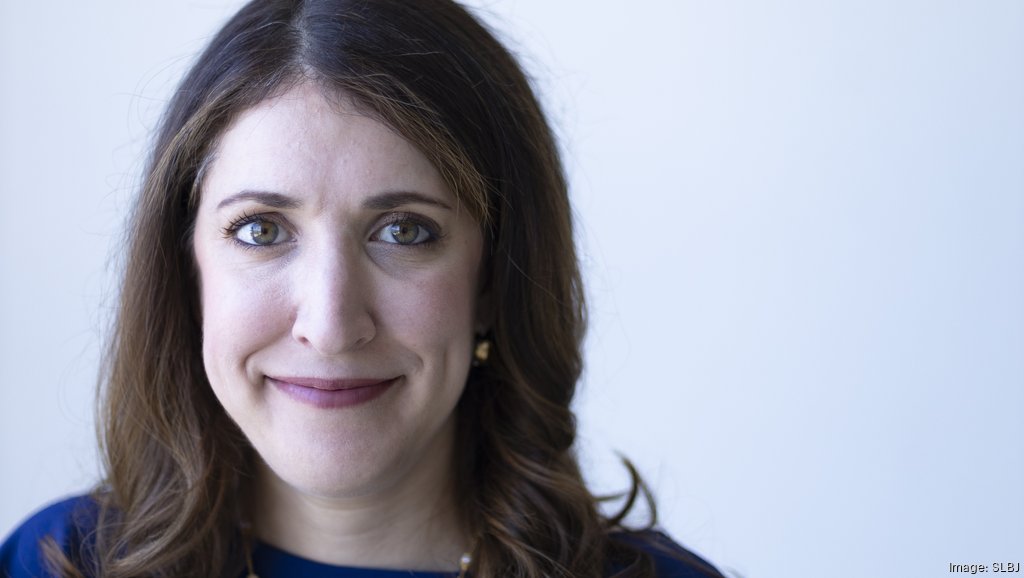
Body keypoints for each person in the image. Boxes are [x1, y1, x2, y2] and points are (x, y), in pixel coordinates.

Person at [1, 1, 725, 576]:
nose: (330, 324)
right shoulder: (57, 563)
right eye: (261, 230)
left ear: (493, 279)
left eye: (404, 230)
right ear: (187, 274)